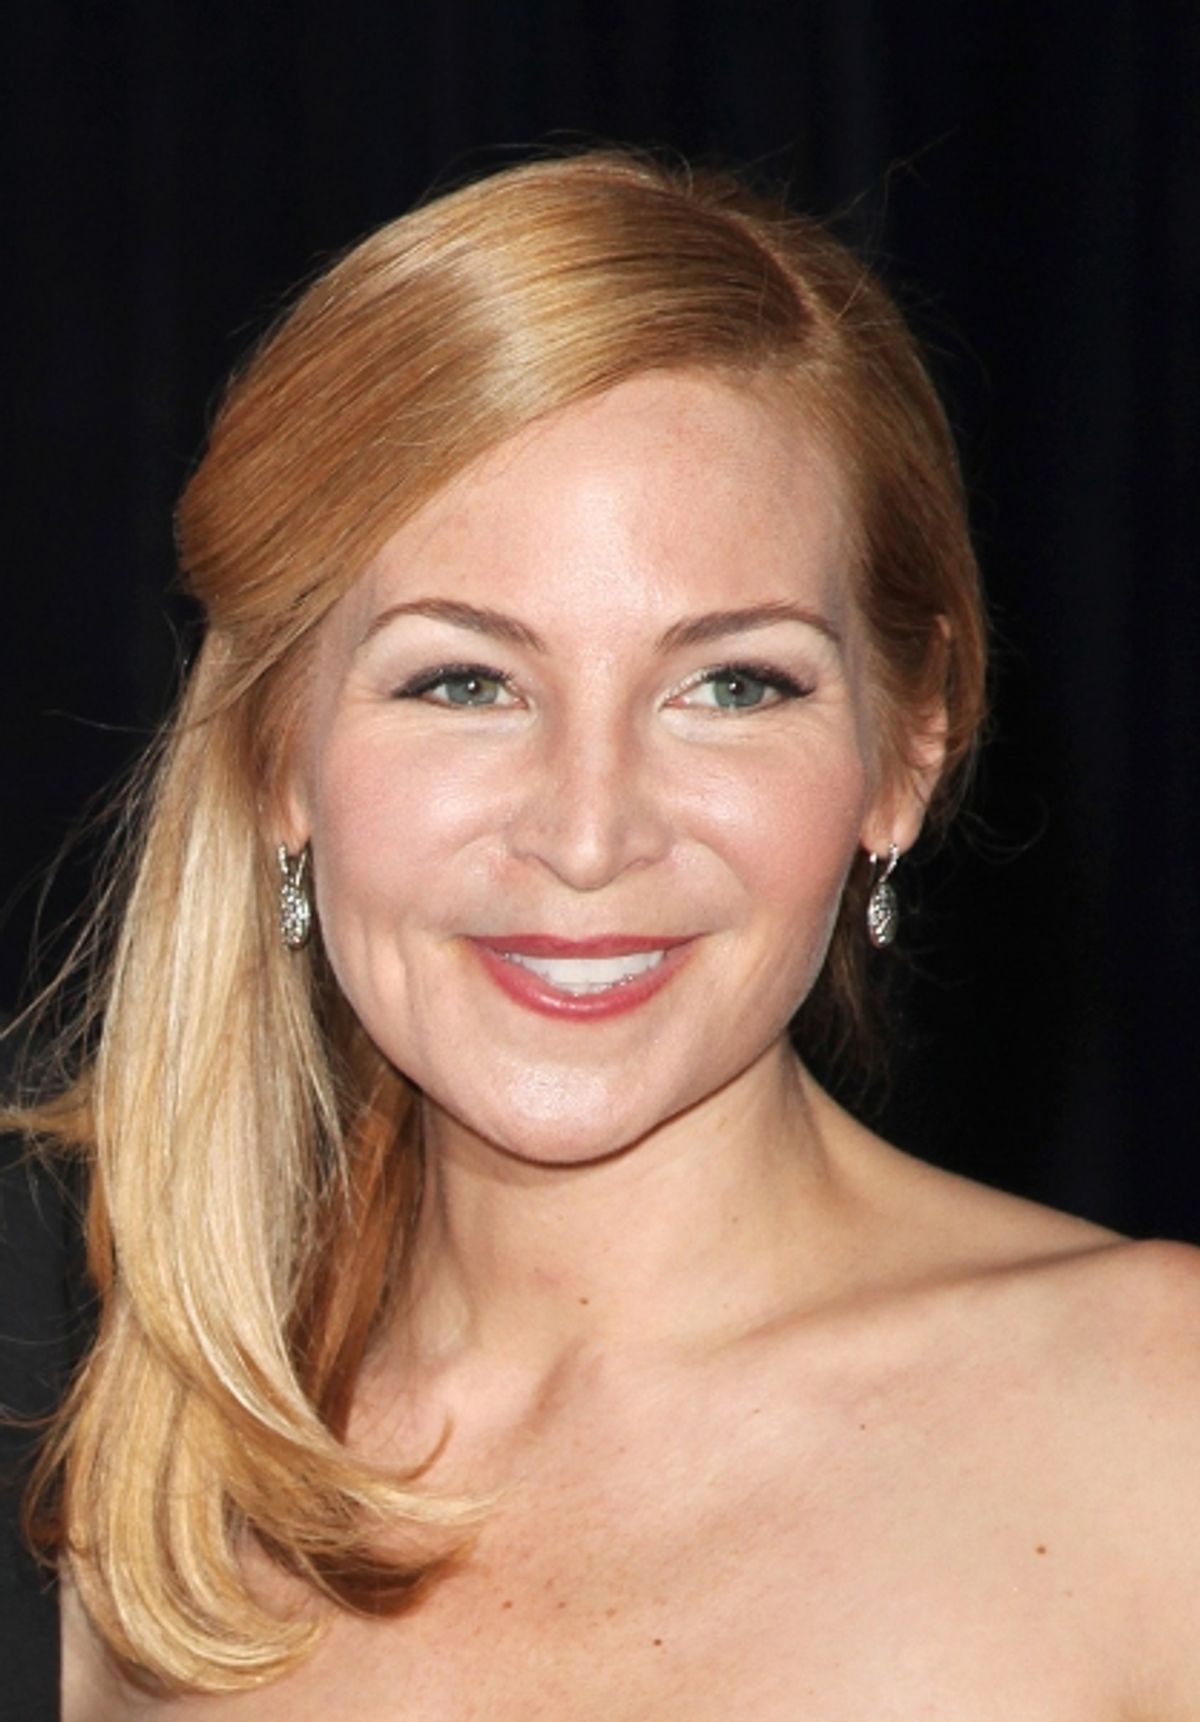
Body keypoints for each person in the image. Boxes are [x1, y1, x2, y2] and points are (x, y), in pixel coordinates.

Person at [4, 148, 1200, 1720]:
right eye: (464, 680)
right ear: (277, 752)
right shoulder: (122, 1468)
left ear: (905, 752)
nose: (586, 833)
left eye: (731, 685)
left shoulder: (1156, 1422)